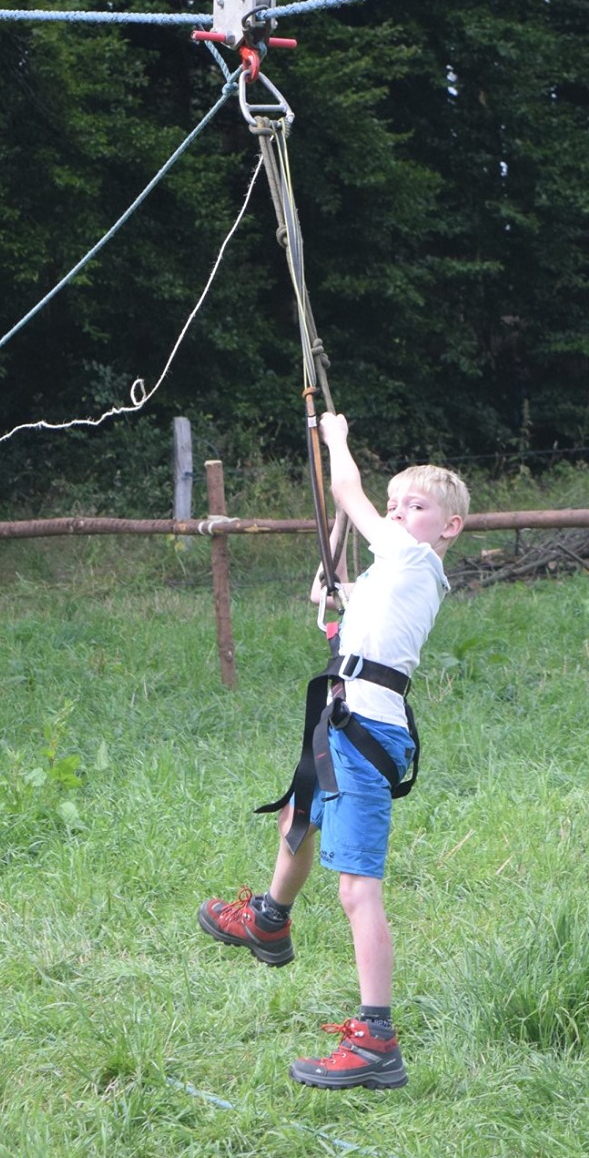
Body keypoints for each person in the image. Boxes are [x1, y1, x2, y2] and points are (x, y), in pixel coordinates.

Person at [198, 411, 467, 1090]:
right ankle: (268, 920)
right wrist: (337, 590)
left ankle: (376, 1040)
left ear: (448, 528)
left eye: (417, 506)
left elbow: (348, 494)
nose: (400, 512)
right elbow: (352, 598)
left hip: (365, 731)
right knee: (297, 818)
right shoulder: (394, 571)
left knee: (356, 890)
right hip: (344, 715)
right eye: (397, 503)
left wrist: (336, 441)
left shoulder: (412, 558)